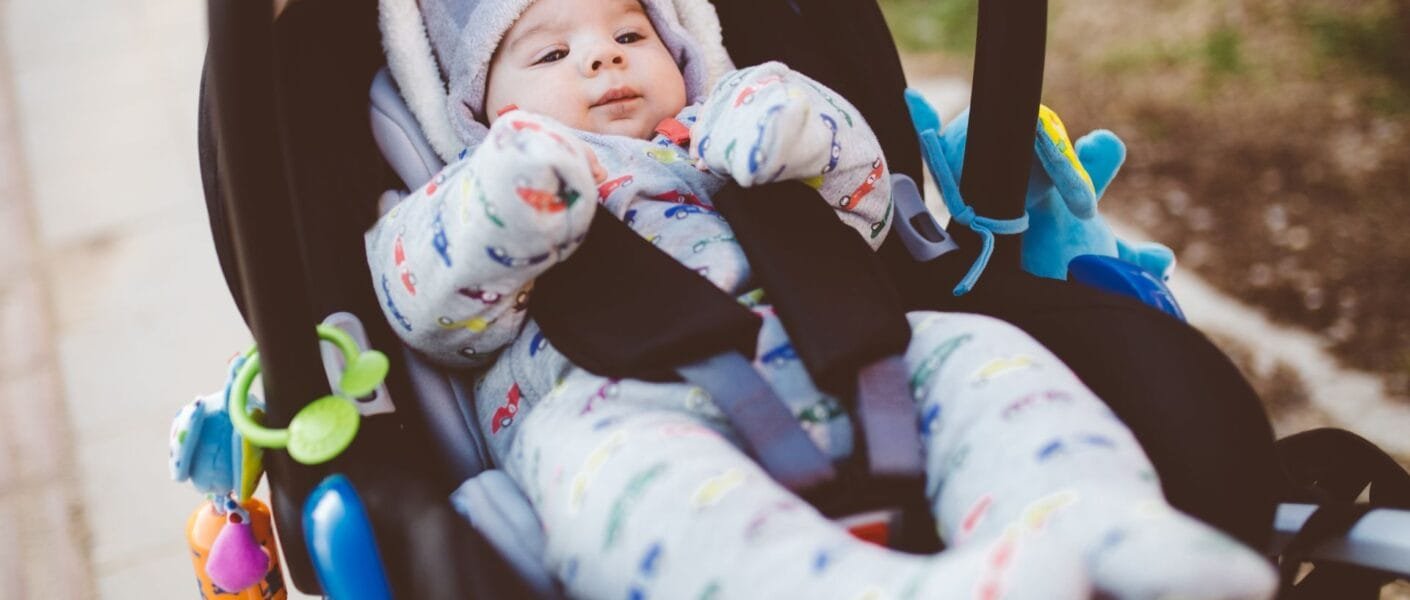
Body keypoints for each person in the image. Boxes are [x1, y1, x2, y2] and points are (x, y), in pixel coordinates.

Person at [368, 0, 1278, 597]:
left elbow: (867, 210)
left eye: (630, 35)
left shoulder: (722, 131)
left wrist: (792, 124)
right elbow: (432, 313)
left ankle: (1090, 522)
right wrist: (507, 204)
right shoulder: (462, 193)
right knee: (634, 492)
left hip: (864, 354)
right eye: (553, 52)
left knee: (988, 362)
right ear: (479, 108)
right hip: (624, 407)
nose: (603, 59)